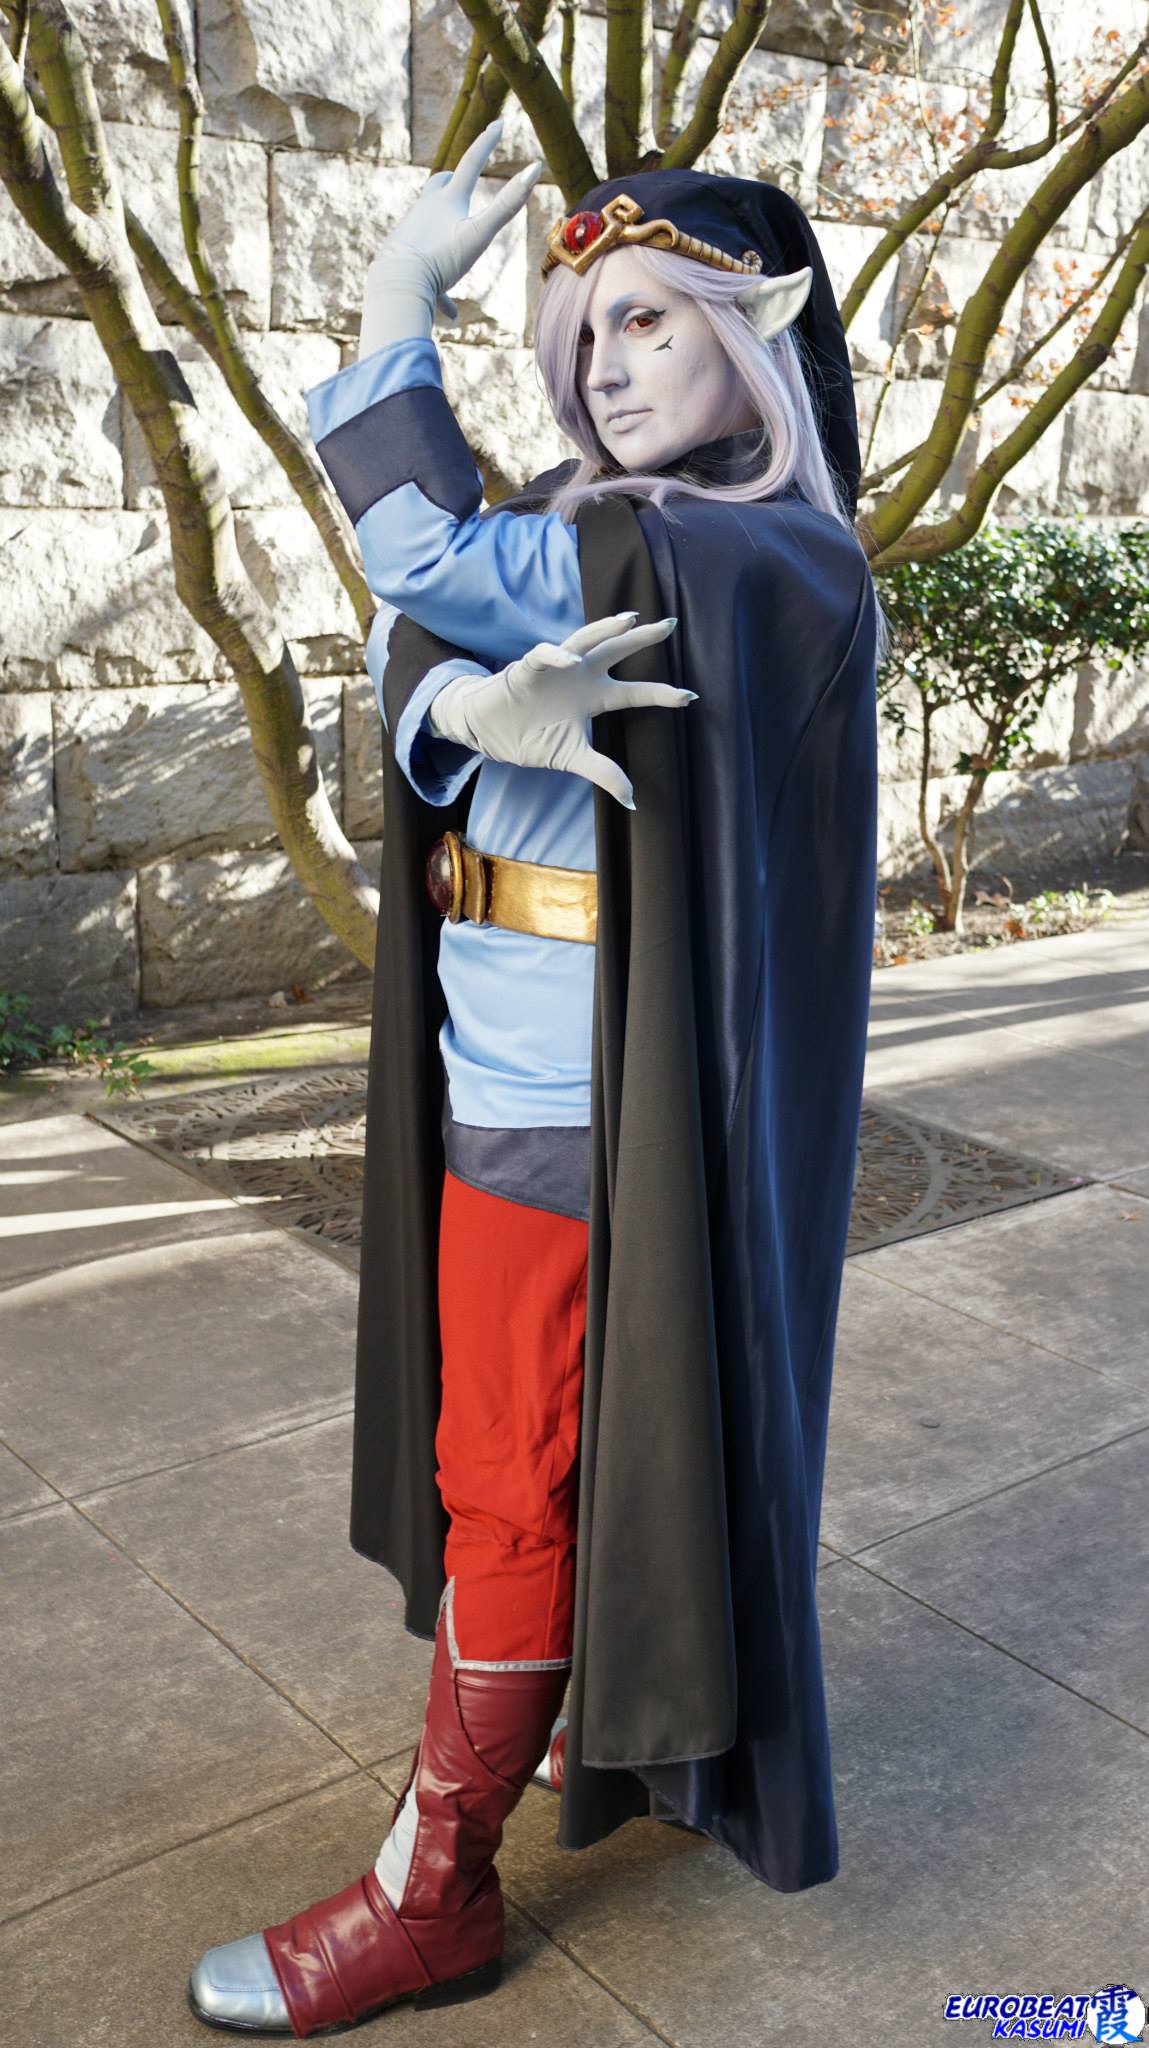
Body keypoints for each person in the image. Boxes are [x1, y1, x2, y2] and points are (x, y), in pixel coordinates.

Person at [188, 118, 882, 2038]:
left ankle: (433, 1895)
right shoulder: (608, 528)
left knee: (509, 1486)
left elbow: (420, 553)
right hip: (494, 1060)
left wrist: (388, 309)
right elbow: (416, 628)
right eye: (582, 330)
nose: (606, 363)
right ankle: (583, 1707)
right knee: (529, 1466)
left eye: (650, 317)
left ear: (758, 328)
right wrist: (459, 706)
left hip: (583, 1108)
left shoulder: (750, 556)